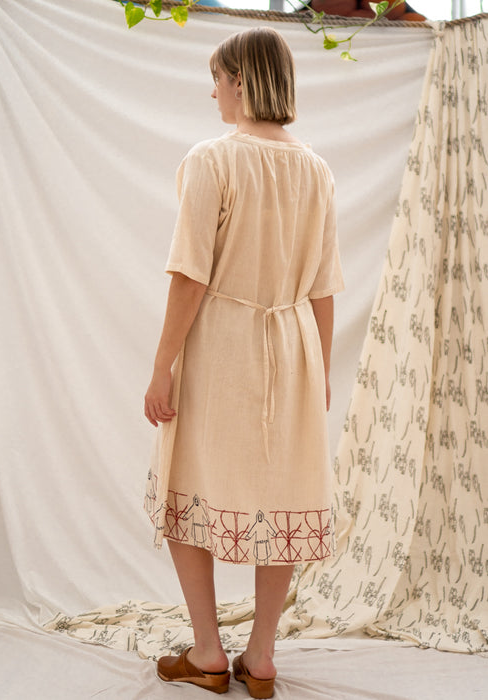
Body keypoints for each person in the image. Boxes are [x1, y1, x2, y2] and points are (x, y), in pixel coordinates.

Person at [143, 27, 344, 698]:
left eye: (217, 79)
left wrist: (162, 366)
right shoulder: (316, 168)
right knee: (284, 496)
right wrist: (319, 371)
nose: (212, 93)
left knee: (185, 484)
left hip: (221, 347)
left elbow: (189, 276)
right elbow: (323, 286)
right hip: (294, 346)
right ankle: (260, 657)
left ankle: (207, 651)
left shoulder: (212, 159)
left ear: (239, 80)